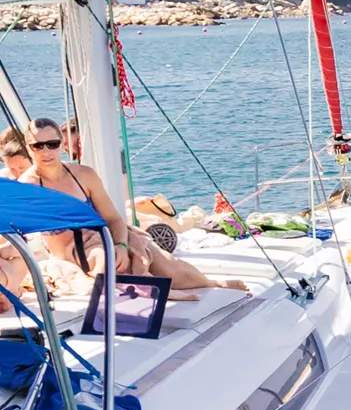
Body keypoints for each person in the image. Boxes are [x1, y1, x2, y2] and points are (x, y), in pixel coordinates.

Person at [19, 117, 246, 293]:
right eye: (38, 146)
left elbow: (113, 218)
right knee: (106, 262)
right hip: (74, 251)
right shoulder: (27, 187)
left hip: (106, 235)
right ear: (29, 148)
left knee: (166, 266)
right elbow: (15, 230)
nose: (46, 151)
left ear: (61, 144)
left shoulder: (83, 175)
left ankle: (210, 282)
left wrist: (121, 245)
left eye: (52, 144)